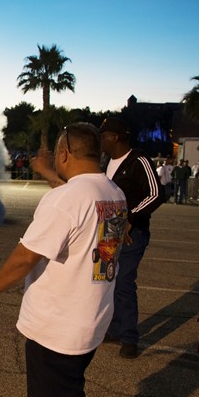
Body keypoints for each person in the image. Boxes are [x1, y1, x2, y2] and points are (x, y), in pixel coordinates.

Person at [0, 123, 127, 397]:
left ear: (65, 153)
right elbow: (78, 207)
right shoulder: (112, 191)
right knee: (68, 383)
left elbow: (27, 255)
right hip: (93, 312)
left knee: (69, 391)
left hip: (63, 321)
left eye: (56, 153)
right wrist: (47, 174)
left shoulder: (66, 198)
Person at [33, 118, 163, 359]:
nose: (99, 140)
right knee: (108, 279)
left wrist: (131, 217)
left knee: (124, 283)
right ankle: (112, 329)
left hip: (132, 234)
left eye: (103, 135)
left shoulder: (138, 160)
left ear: (114, 137)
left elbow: (156, 194)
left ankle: (129, 338)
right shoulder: (106, 163)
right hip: (110, 231)